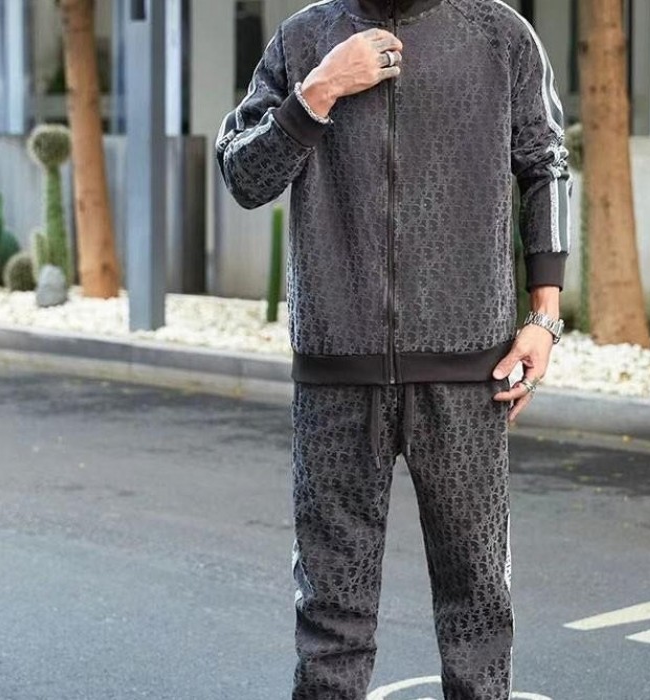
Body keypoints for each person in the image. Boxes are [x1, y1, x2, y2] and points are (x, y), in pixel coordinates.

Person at [215, 0, 572, 697]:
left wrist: (544, 317)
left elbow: (546, 166)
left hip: (469, 371)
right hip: (335, 372)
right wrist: (318, 92)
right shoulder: (305, 38)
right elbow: (243, 177)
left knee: (477, 601)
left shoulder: (500, 35)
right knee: (331, 610)